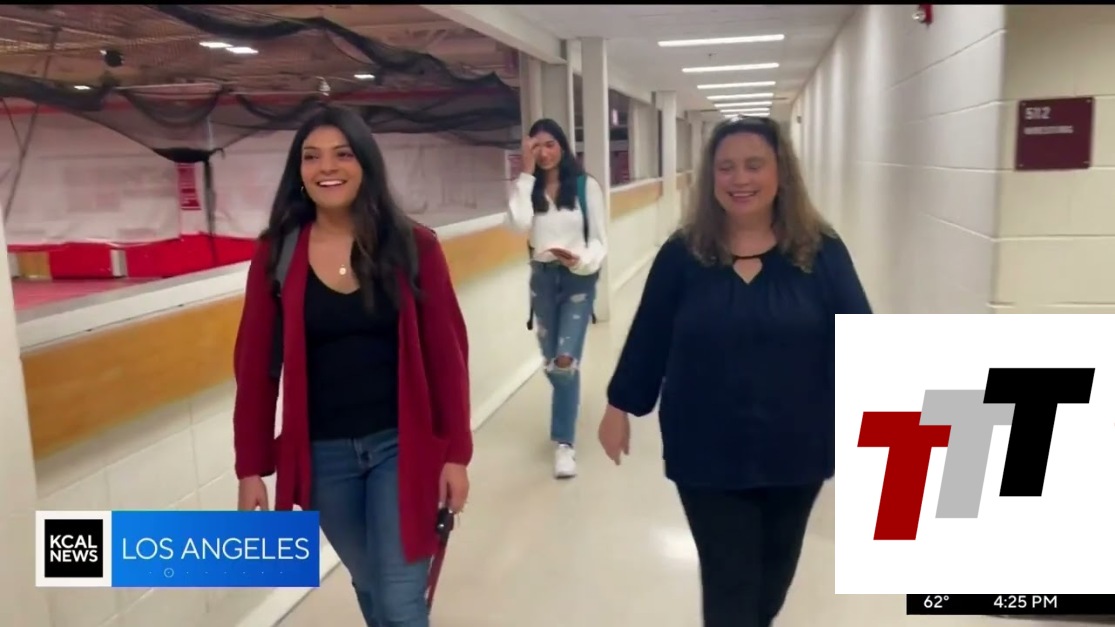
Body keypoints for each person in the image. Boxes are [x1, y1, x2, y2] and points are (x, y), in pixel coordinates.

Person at [597, 116, 871, 627]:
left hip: (798, 450)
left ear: (781, 173)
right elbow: (649, 334)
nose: (739, 179)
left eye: (753, 165)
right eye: (726, 167)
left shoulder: (820, 252)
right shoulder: (683, 255)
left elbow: (861, 340)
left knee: (770, 584)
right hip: (706, 452)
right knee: (730, 586)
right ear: (711, 177)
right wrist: (620, 405)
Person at [231, 105, 473, 627]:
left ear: (365, 162)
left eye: (342, 154)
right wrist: (251, 468)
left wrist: (457, 454)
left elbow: (448, 358)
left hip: (402, 446)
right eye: (312, 156)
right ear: (299, 171)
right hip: (323, 458)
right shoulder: (276, 255)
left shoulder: (414, 246)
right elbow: (256, 369)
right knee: (370, 585)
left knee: (400, 599)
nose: (327, 167)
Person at [506, 117, 608, 479]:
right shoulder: (528, 189)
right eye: (536, 146)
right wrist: (525, 173)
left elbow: (599, 240)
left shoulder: (584, 186)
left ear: (563, 146)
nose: (544, 152)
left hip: (578, 279)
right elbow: (518, 225)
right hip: (543, 280)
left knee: (564, 361)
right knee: (553, 361)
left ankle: (564, 444)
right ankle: (568, 392)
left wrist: (580, 260)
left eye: (550, 144)